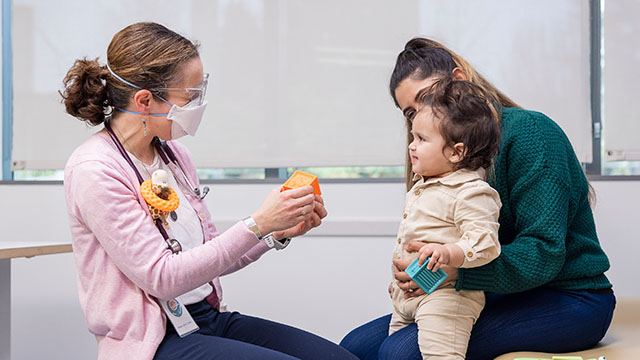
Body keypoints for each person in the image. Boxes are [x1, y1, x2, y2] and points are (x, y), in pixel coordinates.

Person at [61, 22, 357, 360]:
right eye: (190, 96)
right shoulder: (95, 170)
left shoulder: (174, 157)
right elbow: (162, 277)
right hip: (156, 339)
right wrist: (257, 223)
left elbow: (211, 257)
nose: (198, 104)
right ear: (144, 101)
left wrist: (274, 232)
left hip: (206, 318)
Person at [340, 38, 616, 360]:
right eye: (411, 112)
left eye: (426, 98)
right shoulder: (442, 163)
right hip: (498, 292)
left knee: (399, 353)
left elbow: (543, 253)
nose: (421, 116)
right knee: (351, 349)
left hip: (573, 299)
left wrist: (450, 271)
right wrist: (420, 276)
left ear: (459, 79)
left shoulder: (532, 133)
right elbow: (453, 250)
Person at [388, 78, 502, 359]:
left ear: (456, 151)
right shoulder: (426, 184)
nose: (411, 147)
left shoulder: (471, 192)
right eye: (413, 137)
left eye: (421, 139)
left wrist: (448, 252)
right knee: (389, 351)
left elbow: (485, 243)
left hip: (447, 299)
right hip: (409, 296)